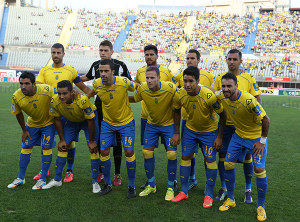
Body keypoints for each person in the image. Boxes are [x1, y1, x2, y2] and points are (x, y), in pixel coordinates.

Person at [215, 72, 269, 222]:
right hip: (238, 136)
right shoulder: (222, 95)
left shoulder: (248, 100)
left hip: (255, 138)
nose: (226, 89)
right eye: (223, 86)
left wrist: (262, 142)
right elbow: (213, 94)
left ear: (236, 86)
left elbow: (266, 120)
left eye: (229, 86)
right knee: (228, 163)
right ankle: (231, 199)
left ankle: (261, 206)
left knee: (258, 169)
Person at [35, 43, 91, 183]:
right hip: (49, 112)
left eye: (58, 53)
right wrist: (59, 91)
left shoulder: (71, 70)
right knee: (46, 142)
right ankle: (45, 169)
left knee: (68, 142)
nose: (56, 55)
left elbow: (83, 87)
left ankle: (69, 170)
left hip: (66, 113)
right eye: (53, 52)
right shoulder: (44, 70)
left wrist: (93, 99)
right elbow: (37, 86)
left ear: (63, 54)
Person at [171, 66, 226, 208]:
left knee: (210, 160)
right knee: (185, 157)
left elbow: (223, 115)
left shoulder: (209, 96)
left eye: (191, 81)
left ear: (198, 81)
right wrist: (176, 132)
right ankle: (183, 192)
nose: (187, 84)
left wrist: (219, 137)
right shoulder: (180, 94)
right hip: (190, 130)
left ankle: (208, 194)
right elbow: (176, 111)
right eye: (185, 81)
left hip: (209, 131)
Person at [211, 49, 262, 203]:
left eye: (234, 59)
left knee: (247, 156)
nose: (231, 62)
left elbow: (257, 98)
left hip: (244, 127)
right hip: (226, 124)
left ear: (240, 61)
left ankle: (248, 189)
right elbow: (214, 94)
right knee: (223, 156)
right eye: (229, 59)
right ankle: (224, 187)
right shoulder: (220, 77)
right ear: (226, 60)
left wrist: (255, 117)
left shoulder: (248, 77)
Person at [81, 40, 132, 186]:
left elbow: (129, 83)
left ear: (111, 52)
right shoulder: (96, 65)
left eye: (105, 50)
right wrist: (73, 78)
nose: (102, 53)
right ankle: (102, 172)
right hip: (99, 107)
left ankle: (117, 174)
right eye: (100, 50)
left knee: (116, 142)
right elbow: (86, 78)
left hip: (117, 108)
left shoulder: (120, 66)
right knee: (100, 140)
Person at [129, 66, 180, 201]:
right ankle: (151, 185)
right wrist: (119, 97)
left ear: (159, 78)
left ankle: (170, 187)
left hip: (168, 124)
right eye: (147, 78)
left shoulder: (170, 87)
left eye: (152, 78)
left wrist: (176, 132)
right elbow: (135, 98)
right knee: (146, 152)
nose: (149, 80)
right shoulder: (143, 88)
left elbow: (182, 99)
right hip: (151, 124)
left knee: (171, 153)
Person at [90, 59, 137, 199]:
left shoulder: (123, 82)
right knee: (103, 150)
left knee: (129, 151)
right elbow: (92, 93)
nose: (103, 74)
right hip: (108, 123)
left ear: (113, 72)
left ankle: (131, 186)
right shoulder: (97, 84)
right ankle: (108, 184)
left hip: (126, 122)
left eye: (106, 71)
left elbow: (136, 88)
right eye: (101, 71)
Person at [42, 80, 100, 193]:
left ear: (72, 92)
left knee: (93, 149)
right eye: (59, 93)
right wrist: (62, 139)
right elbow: (57, 119)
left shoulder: (82, 100)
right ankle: (57, 180)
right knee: (63, 146)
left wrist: (92, 141)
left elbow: (91, 121)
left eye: (65, 93)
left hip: (88, 121)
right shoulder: (54, 100)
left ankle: (95, 182)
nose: (61, 96)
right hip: (72, 120)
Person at [135, 44, 178, 189]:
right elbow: (137, 92)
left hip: (167, 120)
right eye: (146, 55)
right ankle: (150, 182)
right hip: (147, 118)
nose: (148, 57)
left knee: (170, 151)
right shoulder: (140, 72)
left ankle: (173, 181)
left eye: (151, 54)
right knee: (147, 150)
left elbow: (175, 93)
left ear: (157, 56)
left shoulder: (166, 72)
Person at [175, 49, 215, 191]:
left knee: (207, 155)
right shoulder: (180, 76)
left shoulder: (209, 76)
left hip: (205, 122)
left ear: (199, 60)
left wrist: (201, 86)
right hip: (188, 120)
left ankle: (208, 184)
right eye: (187, 58)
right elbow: (177, 93)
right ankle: (192, 179)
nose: (189, 60)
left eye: (192, 58)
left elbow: (215, 93)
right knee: (188, 154)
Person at [7, 72, 55, 190]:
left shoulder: (47, 89)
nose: (23, 86)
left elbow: (61, 93)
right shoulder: (16, 96)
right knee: (26, 147)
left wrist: (74, 90)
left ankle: (42, 179)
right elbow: (18, 113)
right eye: (21, 84)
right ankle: (20, 178)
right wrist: (24, 130)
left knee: (46, 148)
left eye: (27, 84)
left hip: (49, 123)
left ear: (34, 84)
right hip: (32, 124)